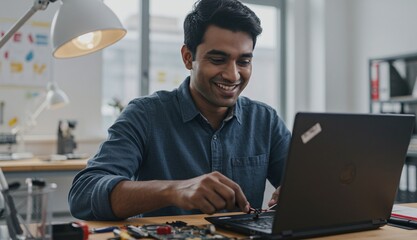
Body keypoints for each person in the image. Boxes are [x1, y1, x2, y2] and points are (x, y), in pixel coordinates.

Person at [69, 0, 291, 221]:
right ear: (188, 58)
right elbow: (83, 194)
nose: (233, 75)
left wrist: (300, 192)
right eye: (218, 59)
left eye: (243, 61)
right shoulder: (145, 115)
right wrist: (174, 191)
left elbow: (308, 183)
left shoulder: (265, 120)